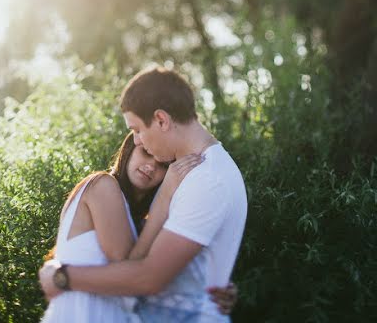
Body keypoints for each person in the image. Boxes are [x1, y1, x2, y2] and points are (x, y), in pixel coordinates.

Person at [40, 66, 248, 322]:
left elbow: (147, 277)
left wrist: (61, 277)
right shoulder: (192, 176)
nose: (136, 140)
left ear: (161, 120)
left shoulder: (206, 177)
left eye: (137, 129)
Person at [41, 132, 237, 322]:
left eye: (162, 165)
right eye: (146, 152)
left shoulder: (142, 224)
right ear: (129, 149)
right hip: (81, 314)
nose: (151, 166)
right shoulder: (102, 185)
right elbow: (128, 268)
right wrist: (164, 197)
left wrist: (211, 287)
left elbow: (155, 272)